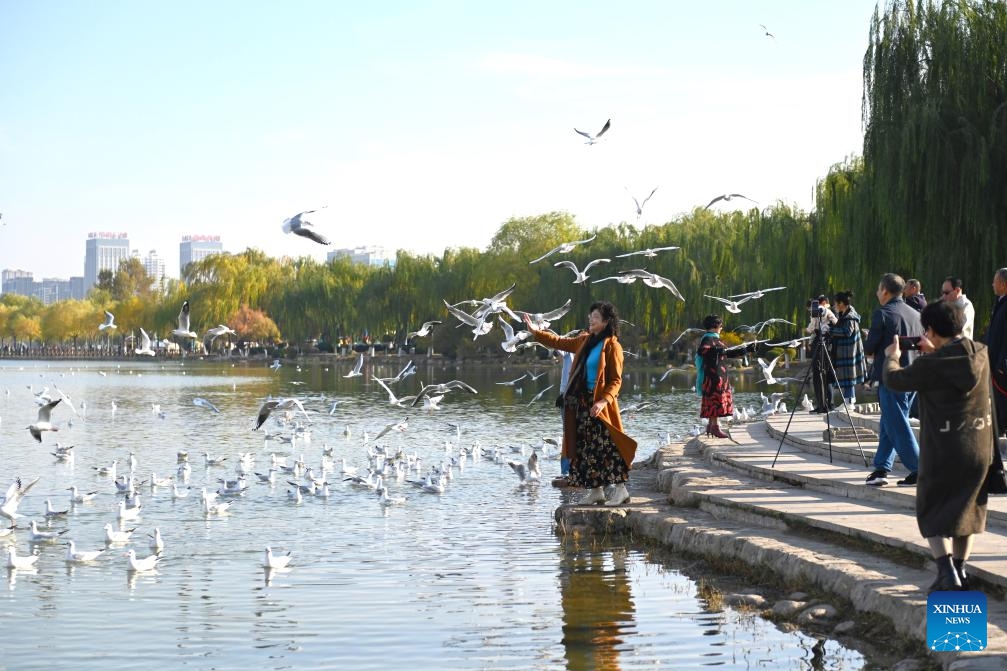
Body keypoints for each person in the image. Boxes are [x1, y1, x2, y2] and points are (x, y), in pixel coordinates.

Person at [882, 300, 993, 591]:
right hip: (979, 448)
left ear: (930, 330)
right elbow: (955, 365)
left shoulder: (930, 365)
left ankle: (945, 570)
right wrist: (938, 351)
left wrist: (892, 356)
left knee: (930, 507)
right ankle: (960, 570)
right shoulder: (981, 353)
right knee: (966, 508)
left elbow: (895, 380)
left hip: (944, 449)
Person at [524, 301, 637, 506]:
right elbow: (558, 341)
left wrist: (603, 401)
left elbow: (615, 381)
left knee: (608, 447)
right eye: (590, 316)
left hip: (600, 406)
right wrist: (535, 332)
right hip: (581, 404)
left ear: (606, 321)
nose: (590, 320)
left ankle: (621, 490)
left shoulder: (612, 346)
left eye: (594, 317)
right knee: (586, 448)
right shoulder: (584, 341)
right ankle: (596, 491)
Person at [863, 273, 923, 487]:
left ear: (885, 291)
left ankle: (919, 469)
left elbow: (869, 349)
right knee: (889, 421)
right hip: (913, 376)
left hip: (892, 377)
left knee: (897, 424)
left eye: (879, 290)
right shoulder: (916, 314)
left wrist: (871, 343)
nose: (877, 293)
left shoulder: (883, 314)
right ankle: (881, 468)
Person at [695, 314, 751, 438]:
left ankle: (711, 425)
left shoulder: (716, 339)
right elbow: (702, 350)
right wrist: (717, 350)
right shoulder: (708, 338)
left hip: (720, 374)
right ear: (715, 326)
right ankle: (715, 427)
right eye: (720, 325)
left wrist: (745, 350)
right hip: (713, 375)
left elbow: (727, 353)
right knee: (715, 400)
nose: (721, 327)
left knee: (715, 400)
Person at [830, 290, 867, 406]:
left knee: (849, 377)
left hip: (849, 352)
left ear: (841, 303)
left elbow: (847, 332)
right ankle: (848, 400)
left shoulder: (850, 316)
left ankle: (849, 401)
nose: (834, 306)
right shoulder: (845, 314)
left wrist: (830, 330)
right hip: (846, 352)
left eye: (835, 303)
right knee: (847, 378)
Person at [804, 295, 838, 412]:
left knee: (821, 374)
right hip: (824, 343)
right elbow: (835, 323)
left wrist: (810, 329)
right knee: (823, 374)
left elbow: (811, 328)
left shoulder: (825, 311)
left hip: (822, 344)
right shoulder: (827, 311)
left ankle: (826, 405)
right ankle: (823, 404)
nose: (813, 310)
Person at [986, 268, 1007, 434]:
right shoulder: (1000, 302)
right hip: (994, 360)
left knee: (1002, 398)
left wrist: (1002, 362)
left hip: (1002, 363)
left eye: (995, 281)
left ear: (1003, 283)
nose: (992, 284)